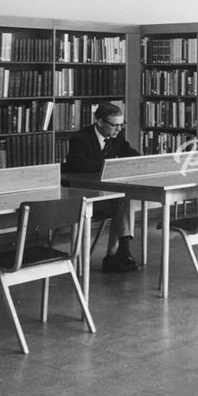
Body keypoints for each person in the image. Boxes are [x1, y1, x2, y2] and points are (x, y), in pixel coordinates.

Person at [63, 102, 140, 273]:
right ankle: (116, 254)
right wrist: (110, 165)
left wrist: (137, 161)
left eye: (122, 124)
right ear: (99, 122)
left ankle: (121, 250)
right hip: (83, 196)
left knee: (124, 198)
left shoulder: (116, 136)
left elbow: (131, 154)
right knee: (121, 200)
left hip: (106, 195)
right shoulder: (80, 139)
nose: (119, 129)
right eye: (115, 125)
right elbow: (79, 165)